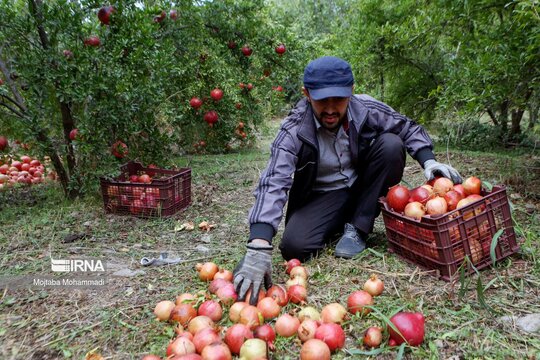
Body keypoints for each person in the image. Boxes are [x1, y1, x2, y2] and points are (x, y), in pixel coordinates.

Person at [233, 56, 461, 304]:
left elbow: (407, 127)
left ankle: (358, 227)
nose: (330, 109)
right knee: (294, 247)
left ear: (351, 92)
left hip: (363, 183)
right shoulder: (294, 129)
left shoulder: (366, 109)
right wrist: (259, 242)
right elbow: (274, 180)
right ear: (306, 93)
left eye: (338, 99)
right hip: (323, 195)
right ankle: (343, 218)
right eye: (322, 100)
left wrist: (429, 161)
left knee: (392, 145)